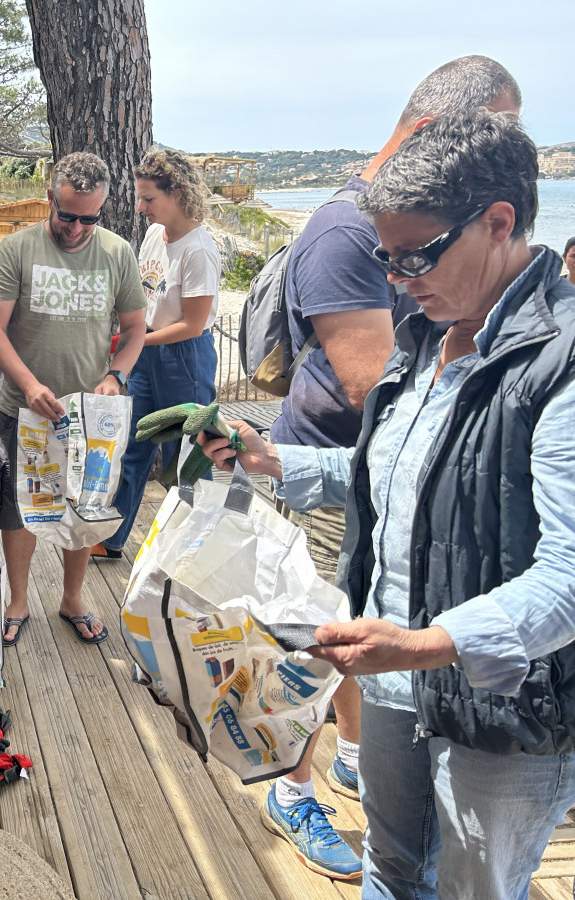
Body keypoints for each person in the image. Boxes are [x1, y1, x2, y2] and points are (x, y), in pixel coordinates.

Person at [202, 109, 575, 899]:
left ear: (500, 221)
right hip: (394, 677)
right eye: (386, 258)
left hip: (501, 709)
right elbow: (392, 475)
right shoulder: (425, 332)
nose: (397, 280)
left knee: (476, 889)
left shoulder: (561, 365)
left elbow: (568, 576)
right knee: (392, 864)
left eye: (415, 256)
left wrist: (428, 644)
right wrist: (272, 459)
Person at [253, 55, 522, 881]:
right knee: (312, 637)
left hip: (369, 472)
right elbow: (376, 389)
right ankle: (291, 787)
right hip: (338, 468)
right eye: (499, 131)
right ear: (437, 135)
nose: (505, 149)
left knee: (368, 639)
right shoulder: (343, 230)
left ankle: (355, 760)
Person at [0, 152, 146, 647]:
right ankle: (18, 599)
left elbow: (136, 329)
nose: (76, 228)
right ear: (50, 199)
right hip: (25, 409)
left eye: (89, 219)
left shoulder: (117, 253)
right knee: (17, 507)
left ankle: (73, 598)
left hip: (90, 415)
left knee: (85, 506)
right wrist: (30, 385)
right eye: (67, 214)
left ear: (103, 211)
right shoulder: (17, 249)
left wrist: (116, 375)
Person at [91, 149, 219, 561]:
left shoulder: (198, 250)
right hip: (146, 351)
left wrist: (137, 341)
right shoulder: (153, 236)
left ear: (177, 193)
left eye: (149, 199)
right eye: (140, 197)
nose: (140, 207)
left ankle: (197, 549)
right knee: (133, 447)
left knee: (188, 454)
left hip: (184, 357)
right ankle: (113, 538)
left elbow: (194, 325)